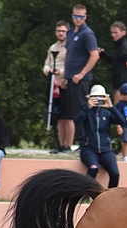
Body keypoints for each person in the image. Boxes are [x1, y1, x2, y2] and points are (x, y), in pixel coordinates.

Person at [74, 84, 125, 188]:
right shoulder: (86, 112)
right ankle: (87, 193)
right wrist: (88, 108)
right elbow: (77, 121)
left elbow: (122, 120)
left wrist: (111, 107)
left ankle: (111, 196)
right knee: (93, 168)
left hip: (106, 149)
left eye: (101, 97)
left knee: (115, 173)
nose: (98, 99)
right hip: (89, 148)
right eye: (95, 97)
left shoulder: (107, 113)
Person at [62, 4, 99, 145]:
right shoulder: (71, 33)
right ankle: (80, 140)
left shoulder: (87, 34)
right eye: (76, 16)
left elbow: (94, 55)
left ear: (85, 17)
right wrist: (66, 75)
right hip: (71, 77)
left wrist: (82, 73)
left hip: (81, 79)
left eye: (81, 16)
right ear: (72, 16)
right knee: (73, 111)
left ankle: (85, 140)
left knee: (81, 109)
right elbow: (68, 54)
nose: (78, 19)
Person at [43, 21, 71, 152]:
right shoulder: (52, 47)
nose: (60, 33)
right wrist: (48, 70)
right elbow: (47, 63)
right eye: (59, 31)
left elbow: (71, 66)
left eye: (63, 31)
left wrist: (62, 72)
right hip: (54, 85)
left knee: (68, 115)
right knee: (59, 116)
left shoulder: (70, 47)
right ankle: (61, 144)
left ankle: (68, 144)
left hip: (65, 83)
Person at [99, 21, 127, 104]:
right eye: (112, 33)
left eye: (116, 33)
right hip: (120, 83)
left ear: (123, 33)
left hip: (123, 85)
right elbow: (115, 61)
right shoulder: (119, 47)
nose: (113, 35)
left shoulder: (124, 46)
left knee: (119, 109)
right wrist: (103, 54)